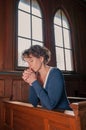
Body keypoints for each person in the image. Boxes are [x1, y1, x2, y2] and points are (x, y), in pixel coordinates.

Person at [22, 45, 71, 110]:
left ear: (41, 59)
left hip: (65, 115)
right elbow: (33, 102)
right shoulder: (36, 75)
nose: (29, 65)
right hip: (48, 114)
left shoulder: (55, 73)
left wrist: (34, 81)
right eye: (27, 62)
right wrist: (31, 83)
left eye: (31, 61)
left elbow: (51, 105)